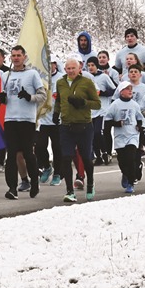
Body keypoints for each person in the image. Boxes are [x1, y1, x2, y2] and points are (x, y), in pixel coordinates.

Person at [0, 45, 47, 200]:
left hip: (27, 120)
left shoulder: (32, 74)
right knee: (11, 155)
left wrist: (29, 97)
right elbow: (4, 96)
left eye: (19, 55)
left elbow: (42, 96)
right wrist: (2, 99)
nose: (16, 58)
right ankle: (12, 188)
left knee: (27, 153)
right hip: (10, 119)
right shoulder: (6, 75)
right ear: (10, 58)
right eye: (13, 55)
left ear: (24, 57)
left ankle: (34, 182)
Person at [53, 57, 101, 202]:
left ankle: (91, 184)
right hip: (66, 125)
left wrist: (83, 102)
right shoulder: (60, 82)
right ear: (65, 69)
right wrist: (56, 113)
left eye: (73, 68)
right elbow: (59, 101)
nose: (71, 71)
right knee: (66, 157)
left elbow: (97, 104)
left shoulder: (86, 82)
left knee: (86, 158)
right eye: (68, 68)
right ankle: (69, 191)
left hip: (84, 125)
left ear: (79, 68)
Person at [104, 81, 145, 194]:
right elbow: (107, 121)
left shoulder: (135, 104)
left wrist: (140, 126)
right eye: (127, 89)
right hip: (120, 137)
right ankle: (126, 174)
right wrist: (116, 124)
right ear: (121, 92)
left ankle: (131, 183)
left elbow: (140, 118)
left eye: (131, 89)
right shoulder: (115, 105)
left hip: (132, 135)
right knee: (122, 161)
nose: (130, 91)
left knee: (131, 158)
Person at [35, 58, 65, 185]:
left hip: (57, 119)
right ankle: (47, 167)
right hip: (42, 119)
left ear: (55, 65)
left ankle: (57, 173)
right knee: (40, 146)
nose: (49, 67)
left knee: (57, 147)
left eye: (51, 64)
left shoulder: (61, 78)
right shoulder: (39, 78)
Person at [86, 56, 116, 166]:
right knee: (92, 135)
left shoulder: (103, 77)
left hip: (102, 110)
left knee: (98, 132)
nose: (90, 67)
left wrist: (101, 93)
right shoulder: (86, 78)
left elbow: (114, 90)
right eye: (88, 65)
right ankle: (98, 156)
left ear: (97, 65)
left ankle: (106, 153)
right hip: (90, 110)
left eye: (92, 65)